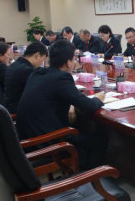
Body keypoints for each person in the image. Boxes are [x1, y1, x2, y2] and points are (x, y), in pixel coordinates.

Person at [16, 40, 106, 170]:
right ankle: (86, 178)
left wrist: (71, 104)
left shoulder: (38, 73)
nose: (74, 62)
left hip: (27, 138)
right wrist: (99, 98)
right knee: (99, 141)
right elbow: (88, 106)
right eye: (74, 59)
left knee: (80, 129)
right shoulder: (61, 77)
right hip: (46, 143)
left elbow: (59, 96)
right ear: (69, 62)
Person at [5, 42, 48, 113]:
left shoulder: (14, 65)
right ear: (37, 55)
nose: (42, 63)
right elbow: (40, 92)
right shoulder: (27, 70)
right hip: (19, 110)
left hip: (10, 106)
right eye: (43, 59)